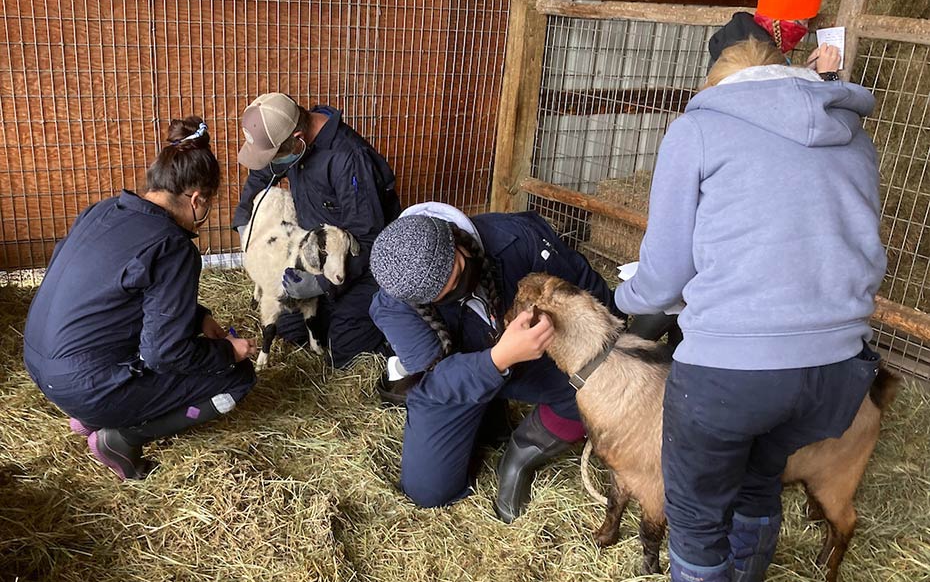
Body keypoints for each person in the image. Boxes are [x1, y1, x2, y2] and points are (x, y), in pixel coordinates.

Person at [613, 37, 887, 582]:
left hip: (733, 374)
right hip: (838, 369)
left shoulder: (697, 131)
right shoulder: (854, 134)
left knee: (695, 516)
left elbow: (664, 277)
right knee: (759, 477)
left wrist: (625, 297)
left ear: (716, 86)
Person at [23, 117, 259, 481]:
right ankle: (122, 436)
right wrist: (229, 352)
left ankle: (92, 415)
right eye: (208, 204)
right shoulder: (173, 247)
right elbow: (164, 354)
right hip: (86, 386)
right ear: (197, 199)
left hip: (41, 365)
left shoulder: (103, 211)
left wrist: (198, 317)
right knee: (237, 378)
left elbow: (122, 293)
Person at [367, 202, 622, 521]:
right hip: (460, 379)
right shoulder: (394, 305)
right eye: (443, 296)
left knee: (601, 388)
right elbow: (437, 381)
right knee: (428, 490)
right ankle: (487, 413)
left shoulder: (516, 238)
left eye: (458, 274)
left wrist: (558, 329)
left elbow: (593, 295)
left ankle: (522, 451)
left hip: (533, 360)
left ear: (456, 239)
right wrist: (499, 358)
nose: (458, 288)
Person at [232, 93, 400, 369]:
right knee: (289, 331)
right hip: (314, 256)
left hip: (361, 266)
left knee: (344, 354)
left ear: (298, 138)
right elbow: (263, 173)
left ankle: (395, 332)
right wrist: (244, 221)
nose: (275, 160)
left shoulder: (348, 159)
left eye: (277, 154)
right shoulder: (294, 142)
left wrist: (321, 284)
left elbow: (370, 239)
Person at [708, 0, 842, 81]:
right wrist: (826, 75)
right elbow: (780, 98)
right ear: (782, 20)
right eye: (803, 21)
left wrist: (807, 70)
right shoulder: (756, 57)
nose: (805, 29)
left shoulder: (737, 37)